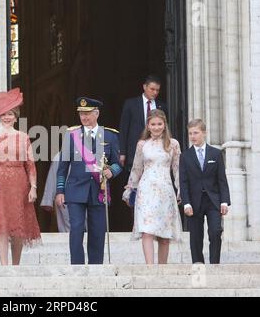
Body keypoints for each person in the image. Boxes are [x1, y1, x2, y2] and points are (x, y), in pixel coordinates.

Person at [0, 88, 41, 266]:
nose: (7, 117)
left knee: (17, 225)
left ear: (16, 116)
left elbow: (31, 166)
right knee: (1, 225)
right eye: (3, 114)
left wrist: (33, 187)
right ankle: (5, 266)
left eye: (10, 114)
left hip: (19, 184)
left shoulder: (24, 137)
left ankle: (16, 265)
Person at [56, 97, 122, 265]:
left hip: (99, 190)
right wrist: (60, 191)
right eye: (81, 114)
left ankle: (96, 268)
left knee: (98, 231)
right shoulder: (71, 136)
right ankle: (77, 268)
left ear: (97, 113)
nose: (84, 117)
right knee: (76, 229)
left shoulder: (110, 135)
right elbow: (62, 167)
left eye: (87, 113)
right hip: (75, 190)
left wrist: (111, 171)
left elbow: (118, 164)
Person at [122, 109, 182, 265]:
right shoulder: (142, 144)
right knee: (147, 230)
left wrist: (180, 189)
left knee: (164, 234)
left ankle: (162, 269)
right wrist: (130, 189)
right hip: (146, 190)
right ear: (148, 126)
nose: (156, 127)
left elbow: (177, 169)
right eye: (153, 124)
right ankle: (149, 268)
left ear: (164, 125)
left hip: (165, 190)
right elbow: (136, 168)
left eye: (159, 124)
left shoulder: (173, 144)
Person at [179, 119, 231, 264]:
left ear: (204, 133)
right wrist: (186, 203)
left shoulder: (215, 153)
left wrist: (224, 201)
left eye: (196, 133)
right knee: (195, 236)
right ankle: (198, 265)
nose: (193, 136)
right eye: (190, 133)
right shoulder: (185, 156)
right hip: (194, 202)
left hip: (213, 200)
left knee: (215, 232)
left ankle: (214, 264)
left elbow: (222, 179)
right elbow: (183, 182)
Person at [119, 75, 168, 172]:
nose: (155, 92)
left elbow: (165, 128)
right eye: (152, 89)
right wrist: (123, 152)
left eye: (157, 90)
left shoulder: (162, 106)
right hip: (134, 150)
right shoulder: (130, 104)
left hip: (156, 151)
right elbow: (124, 129)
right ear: (144, 87)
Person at [40, 151, 71, 232]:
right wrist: (48, 199)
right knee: (67, 229)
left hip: (87, 198)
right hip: (64, 197)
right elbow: (52, 177)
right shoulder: (60, 156)